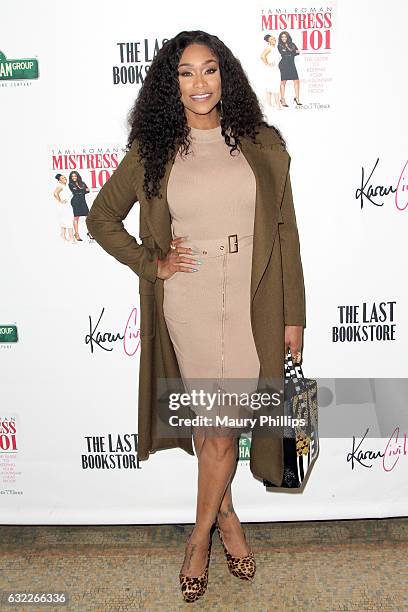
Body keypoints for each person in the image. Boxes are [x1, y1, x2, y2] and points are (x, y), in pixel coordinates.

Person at [86, 30, 306, 603]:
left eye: (209, 70)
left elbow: (285, 234)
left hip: (254, 301)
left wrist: (295, 315)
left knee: (221, 432)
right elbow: (102, 218)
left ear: (225, 77)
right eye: (186, 73)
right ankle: (202, 538)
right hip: (190, 299)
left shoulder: (261, 144)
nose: (199, 83)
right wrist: (150, 263)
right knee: (217, 434)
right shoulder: (154, 150)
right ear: (171, 83)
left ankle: (220, 517)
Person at [277, 31, 302, 107]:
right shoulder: (279, 45)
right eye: (282, 37)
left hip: (291, 64)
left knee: (296, 81)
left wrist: (291, 52)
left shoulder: (292, 44)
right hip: (284, 64)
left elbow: (298, 52)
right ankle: (282, 99)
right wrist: (293, 51)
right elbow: (284, 53)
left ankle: (297, 98)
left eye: (285, 37)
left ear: (287, 37)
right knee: (283, 82)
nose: (283, 38)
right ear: (280, 38)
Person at [68, 171, 94, 242]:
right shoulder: (70, 184)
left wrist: (81, 190)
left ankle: (90, 232)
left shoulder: (82, 183)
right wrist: (83, 190)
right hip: (75, 201)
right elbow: (76, 192)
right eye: (72, 176)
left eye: (75, 176)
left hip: (83, 201)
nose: (74, 177)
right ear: (71, 177)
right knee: (76, 217)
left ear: (77, 176)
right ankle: (76, 234)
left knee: (88, 217)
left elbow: (88, 190)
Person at [260, 34, 282, 109]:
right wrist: (268, 64)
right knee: (275, 86)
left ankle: (269, 103)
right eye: (272, 39)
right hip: (271, 70)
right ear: (268, 41)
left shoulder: (274, 48)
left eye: (274, 38)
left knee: (271, 85)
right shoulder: (269, 48)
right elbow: (262, 56)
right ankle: (277, 104)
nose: (274, 40)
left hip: (275, 69)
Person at [53, 174, 75, 243]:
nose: (64, 178)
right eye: (62, 178)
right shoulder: (60, 186)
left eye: (64, 177)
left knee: (65, 221)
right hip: (64, 207)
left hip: (67, 206)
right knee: (69, 221)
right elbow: (55, 193)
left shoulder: (65, 186)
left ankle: (62, 235)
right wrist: (60, 201)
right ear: (59, 180)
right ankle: (72, 238)